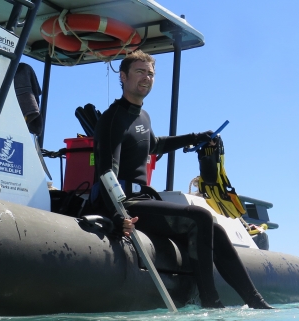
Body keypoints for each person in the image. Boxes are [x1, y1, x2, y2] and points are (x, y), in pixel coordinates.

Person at [91, 50, 273, 309]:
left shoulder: (142, 116)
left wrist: (194, 137)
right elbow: (106, 171)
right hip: (124, 203)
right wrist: (117, 216)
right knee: (201, 218)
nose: (147, 78)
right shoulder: (112, 119)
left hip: (142, 198)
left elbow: (154, 145)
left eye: (151, 73)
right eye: (140, 72)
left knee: (217, 231)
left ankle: (257, 303)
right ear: (123, 76)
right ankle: (211, 302)